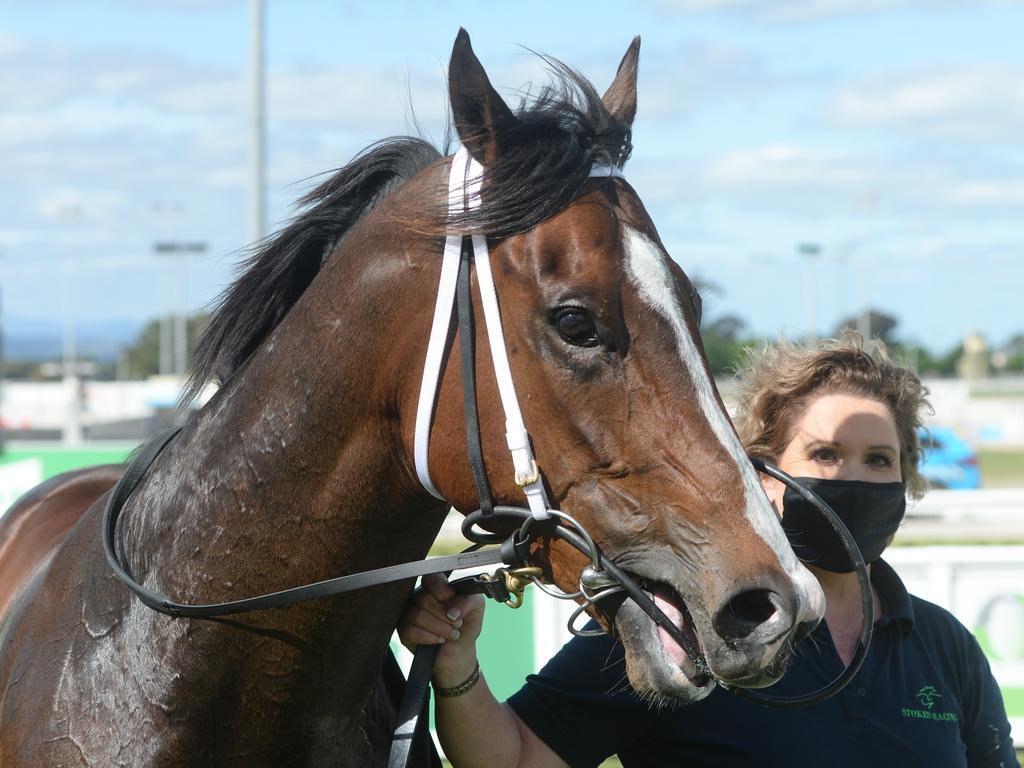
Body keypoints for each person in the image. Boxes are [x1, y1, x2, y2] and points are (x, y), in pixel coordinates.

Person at [398, 336, 1018, 767]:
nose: (851, 478)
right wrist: (457, 670)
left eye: (879, 460)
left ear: (906, 479)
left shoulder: (944, 645)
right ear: (765, 476)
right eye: (825, 454)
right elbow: (514, 758)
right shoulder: (678, 624)